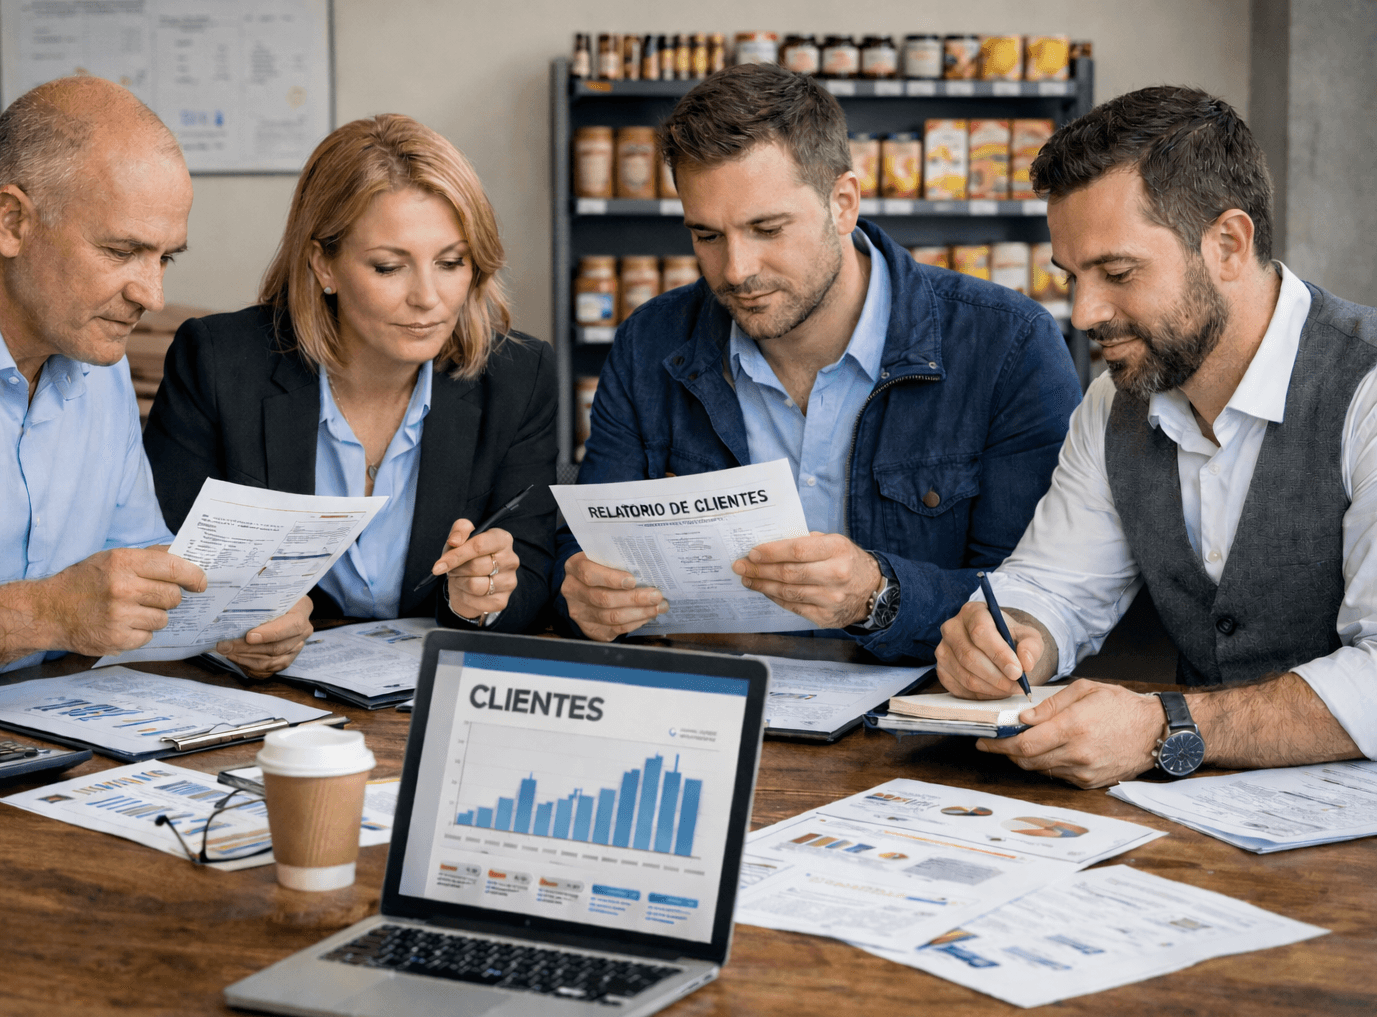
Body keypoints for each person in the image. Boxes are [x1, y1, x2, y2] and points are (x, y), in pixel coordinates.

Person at [555, 64, 1082, 657]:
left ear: (843, 203)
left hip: (917, 720)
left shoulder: (1008, 346)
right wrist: (581, 593)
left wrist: (878, 596)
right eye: (707, 235)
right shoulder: (648, 343)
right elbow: (580, 555)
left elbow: (1038, 601)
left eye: (767, 229)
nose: (736, 270)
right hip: (712, 703)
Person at [935, 86, 1377, 788]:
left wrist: (1163, 726)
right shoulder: (1115, 400)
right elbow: (1056, 587)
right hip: (1203, 821)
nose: (1083, 313)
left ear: (1229, 244)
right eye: (1072, 276)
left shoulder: (1367, 388)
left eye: (1116, 273)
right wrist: (1012, 633)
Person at [0, 77, 310, 721]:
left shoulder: (92, 348)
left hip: (41, 743)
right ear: (13, 221)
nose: (152, 294)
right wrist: (45, 613)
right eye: (123, 251)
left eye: (166, 257)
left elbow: (133, 564)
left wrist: (226, 623)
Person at [143, 114, 556, 632]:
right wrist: (231, 629)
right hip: (265, 695)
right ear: (323, 265)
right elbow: (158, 558)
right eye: (389, 266)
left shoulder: (520, 377)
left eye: (451, 263)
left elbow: (535, 575)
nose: (428, 298)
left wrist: (482, 598)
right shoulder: (218, 362)